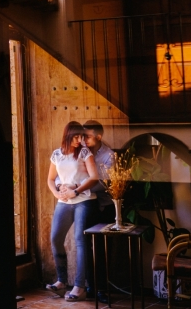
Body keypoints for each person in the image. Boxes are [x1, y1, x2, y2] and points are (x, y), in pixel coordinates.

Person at [46, 121, 99, 302]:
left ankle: (79, 287)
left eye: (81, 137)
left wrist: (75, 191)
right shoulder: (56, 154)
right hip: (64, 201)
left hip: (83, 200)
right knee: (55, 238)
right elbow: (51, 179)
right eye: (76, 137)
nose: (79, 140)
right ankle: (61, 281)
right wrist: (57, 193)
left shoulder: (84, 152)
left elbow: (94, 178)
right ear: (67, 136)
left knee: (80, 241)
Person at [77, 120, 115, 303]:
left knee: (101, 248)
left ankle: (102, 288)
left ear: (98, 137)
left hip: (104, 207)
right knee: (85, 245)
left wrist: (80, 187)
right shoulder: (81, 152)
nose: (83, 140)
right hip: (86, 204)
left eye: (88, 136)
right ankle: (89, 286)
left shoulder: (109, 156)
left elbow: (103, 184)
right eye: (82, 136)